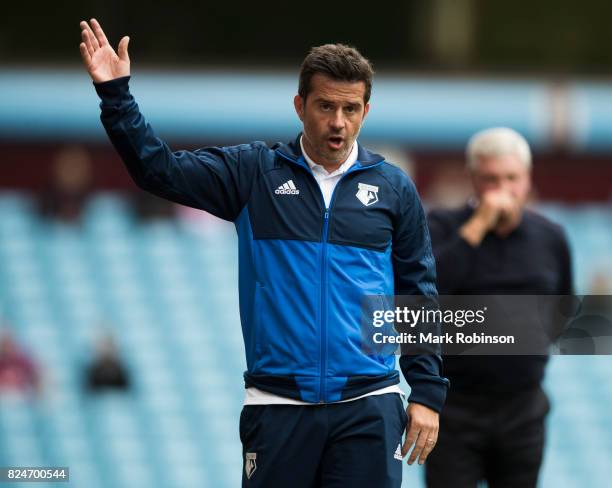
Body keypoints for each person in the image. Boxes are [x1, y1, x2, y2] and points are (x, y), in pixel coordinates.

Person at [79, 18, 449, 487]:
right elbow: (159, 170)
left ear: (366, 111)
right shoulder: (255, 173)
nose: (338, 122)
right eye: (325, 106)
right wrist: (116, 96)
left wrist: (428, 392)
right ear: (300, 105)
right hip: (277, 408)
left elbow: (419, 294)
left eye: (350, 109)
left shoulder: (394, 188)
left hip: (369, 406)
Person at [425, 127, 573, 488]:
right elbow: (428, 296)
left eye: (512, 178)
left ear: (527, 179)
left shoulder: (550, 236)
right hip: (455, 407)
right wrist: (478, 226)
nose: (503, 189)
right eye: (491, 179)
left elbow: (563, 309)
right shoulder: (442, 227)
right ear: (473, 179)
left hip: (523, 409)